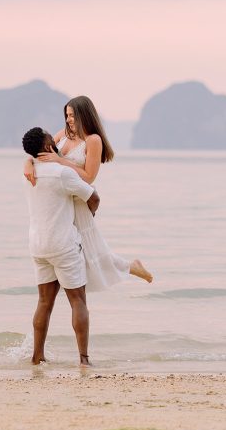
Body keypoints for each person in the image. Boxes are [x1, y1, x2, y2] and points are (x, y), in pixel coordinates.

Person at [24, 96, 152, 290]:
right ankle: (129, 267)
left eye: (73, 115)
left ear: (84, 115)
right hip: (62, 201)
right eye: (67, 115)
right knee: (87, 251)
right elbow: (39, 153)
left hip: (80, 199)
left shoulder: (93, 140)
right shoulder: (63, 135)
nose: (69, 120)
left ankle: (129, 268)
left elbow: (89, 177)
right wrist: (27, 163)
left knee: (93, 251)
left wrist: (60, 162)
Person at [21, 126, 99, 367]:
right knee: (78, 301)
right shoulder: (62, 173)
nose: (54, 139)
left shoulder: (30, 172)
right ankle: (84, 359)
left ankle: (37, 356)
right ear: (46, 146)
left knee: (44, 302)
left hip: (38, 245)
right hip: (63, 244)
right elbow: (93, 197)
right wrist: (90, 217)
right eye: (49, 138)